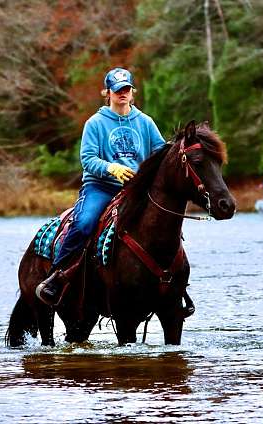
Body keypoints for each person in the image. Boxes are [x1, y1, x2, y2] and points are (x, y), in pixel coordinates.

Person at [36, 67, 166, 306]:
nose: (122, 94)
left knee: (161, 223)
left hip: (135, 189)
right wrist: (111, 168)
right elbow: (87, 158)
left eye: (126, 89)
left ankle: (172, 284)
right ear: (107, 93)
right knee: (84, 223)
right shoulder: (95, 123)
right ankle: (57, 277)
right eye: (117, 91)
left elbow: (160, 153)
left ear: (133, 92)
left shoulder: (145, 122)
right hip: (100, 187)